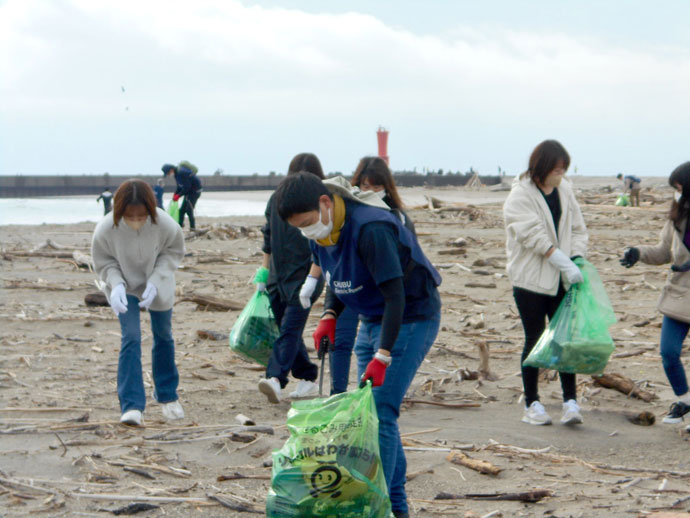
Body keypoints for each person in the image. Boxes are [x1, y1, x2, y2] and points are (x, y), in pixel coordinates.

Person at [275, 172, 441, 518]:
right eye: (299, 228)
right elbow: (337, 273)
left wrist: (383, 355)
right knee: (376, 414)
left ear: (325, 203)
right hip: (371, 316)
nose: (307, 232)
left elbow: (395, 295)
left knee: (381, 412)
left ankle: (387, 505)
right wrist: (331, 314)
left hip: (410, 315)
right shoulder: (321, 230)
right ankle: (396, 506)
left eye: (307, 223)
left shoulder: (371, 229)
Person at [299, 156, 416, 394]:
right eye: (365, 186)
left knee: (376, 348)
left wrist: (383, 356)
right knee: (341, 339)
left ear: (387, 187)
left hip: (380, 293)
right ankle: (338, 393)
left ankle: (376, 388)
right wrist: (324, 305)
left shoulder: (393, 218)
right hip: (349, 286)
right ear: (357, 186)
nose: (371, 191)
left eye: (376, 186)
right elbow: (333, 263)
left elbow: (404, 269)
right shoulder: (337, 221)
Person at [503, 139, 589, 426]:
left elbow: (577, 227)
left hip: (561, 279)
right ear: (541, 168)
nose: (560, 174)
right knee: (535, 337)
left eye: (564, 169)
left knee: (563, 338)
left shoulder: (565, 190)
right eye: (556, 169)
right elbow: (533, 236)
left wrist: (575, 258)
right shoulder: (519, 195)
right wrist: (561, 260)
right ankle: (532, 403)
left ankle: (570, 402)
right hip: (530, 279)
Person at [91, 179, 185, 426]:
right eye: (129, 216)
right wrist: (116, 284)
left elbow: (173, 251)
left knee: (163, 335)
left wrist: (156, 279)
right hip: (124, 288)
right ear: (119, 211)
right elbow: (103, 261)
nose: (135, 220)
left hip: (158, 284)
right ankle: (132, 405)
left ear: (150, 210)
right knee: (131, 337)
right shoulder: (105, 228)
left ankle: (167, 395)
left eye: (141, 215)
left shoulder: (164, 223)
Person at [620, 161, 690, 427]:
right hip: (680, 295)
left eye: (680, 187)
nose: (677, 192)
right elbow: (662, 252)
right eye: (675, 188)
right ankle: (684, 400)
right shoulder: (676, 219)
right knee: (668, 352)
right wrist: (637, 252)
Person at [256, 153, 326, 403]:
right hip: (277, 276)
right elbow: (268, 237)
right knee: (286, 330)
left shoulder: (321, 204)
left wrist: (313, 278)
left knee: (289, 328)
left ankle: (275, 378)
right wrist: (263, 273)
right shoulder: (277, 200)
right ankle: (308, 376)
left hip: (306, 276)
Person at [162, 161, 202, 230]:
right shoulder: (176, 174)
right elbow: (179, 186)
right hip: (188, 192)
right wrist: (175, 194)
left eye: (168, 173)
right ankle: (179, 227)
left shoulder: (182, 173)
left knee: (189, 210)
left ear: (171, 170)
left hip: (194, 192)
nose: (168, 175)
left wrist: (178, 195)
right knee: (181, 210)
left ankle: (192, 228)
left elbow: (187, 187)